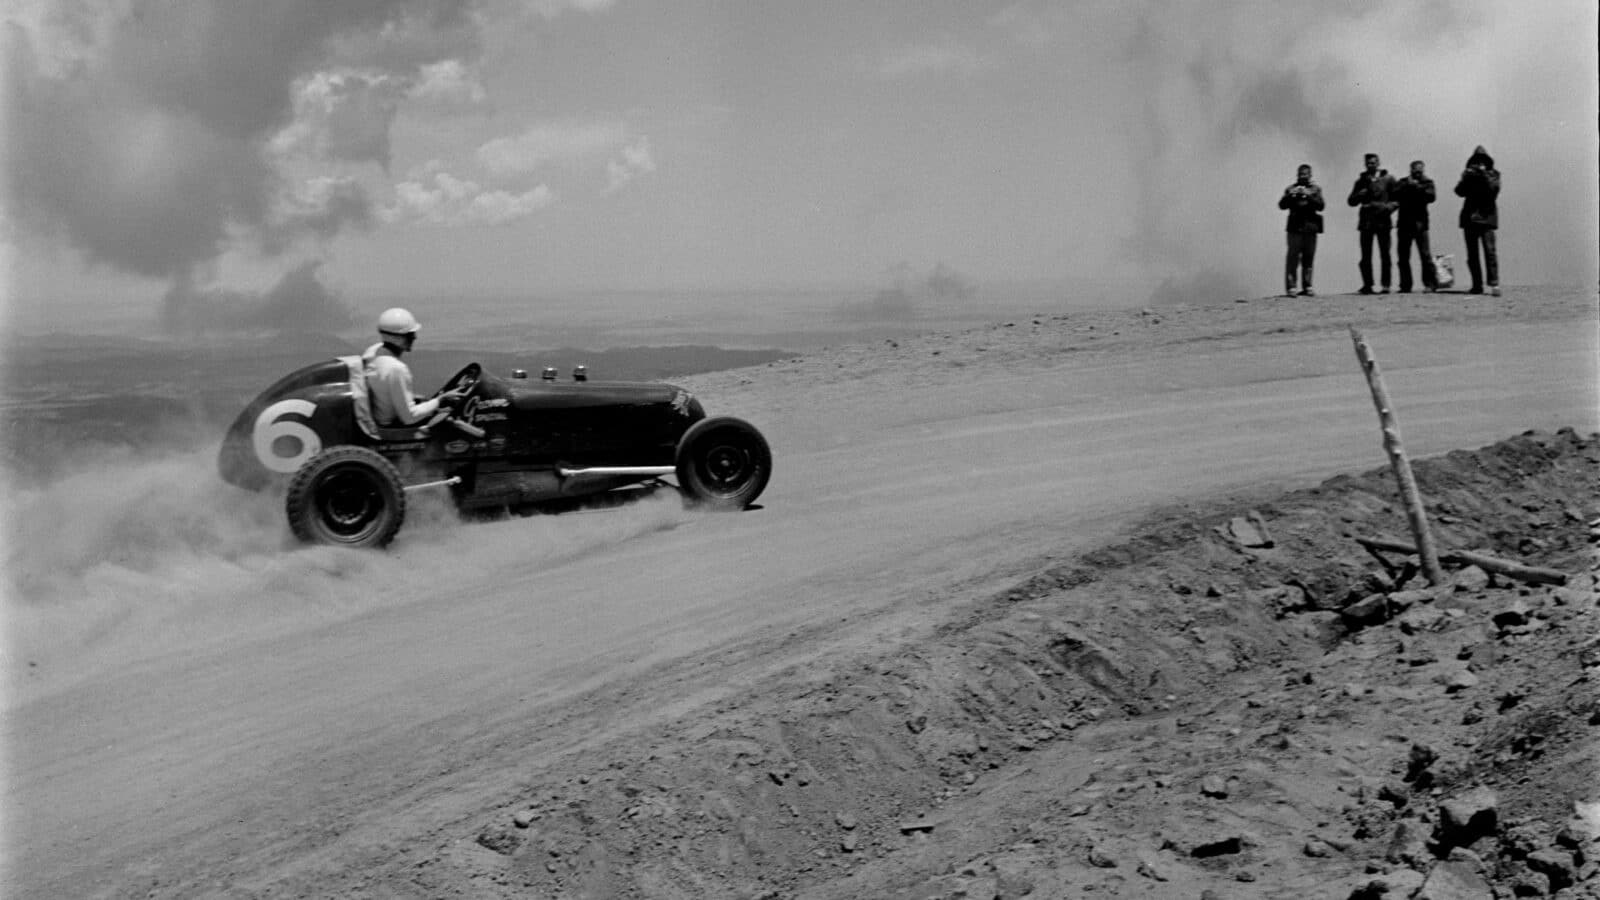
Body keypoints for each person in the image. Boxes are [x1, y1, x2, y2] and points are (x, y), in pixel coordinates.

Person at [363, 307, 467, 426]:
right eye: (410, 335)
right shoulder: (396, 369)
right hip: (392, 425)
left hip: (380, 416)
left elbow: (383, 389)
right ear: (398, 338)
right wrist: (440, 400)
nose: (415, 338)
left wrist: (416, 399)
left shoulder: (372, 353)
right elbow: (410, 417)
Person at [1347, 153, 1397, 294]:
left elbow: (1397, 198)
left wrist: (1388, 208)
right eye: (1368, 163)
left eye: (1373, 163)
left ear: (1378, 163)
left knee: (1385, 254)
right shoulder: (1361, 181)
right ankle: (1367, 284)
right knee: (1365, 256)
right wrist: (1360, 194)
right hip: (1367, 222)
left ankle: (1386, 285)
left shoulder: (1389, 179)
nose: (1371, 165)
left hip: (1383, 221)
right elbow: (1351, 201)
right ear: (1365, 164)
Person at [1454, 145, 1501, 296]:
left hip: (1487, 218)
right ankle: (1477, 285)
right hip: (1470, 218)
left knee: (1490, 252)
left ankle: (1494, 283)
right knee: (1472, 254)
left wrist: (1483, 175)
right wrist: (1467, 178)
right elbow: (1459, 192)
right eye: (1477, 161)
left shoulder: (1494, 174)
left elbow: (1493, 190)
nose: (1480, 163)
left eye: (1482, 161)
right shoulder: (1469, 175)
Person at [1278, 163, 1325, 296]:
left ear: (1310, 175)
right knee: (1293, 257)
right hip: (1295, 228)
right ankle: (1291, 287)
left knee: (1308, 258)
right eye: (1300, 174)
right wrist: (1290, 196)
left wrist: (1308, 195)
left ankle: (1307, 285)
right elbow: (1281, 205)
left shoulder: (1316, 190)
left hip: (1310, 228)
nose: (1303, 177)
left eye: (1305, 174)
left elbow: (1321, 206)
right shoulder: (1291, 189)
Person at [1392, 159, 1437, 293]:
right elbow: (1394, 194)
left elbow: (1432, 196)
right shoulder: (1402, 182)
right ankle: (1405, 285)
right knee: (1403, 257)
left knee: (1425, 255)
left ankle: (1430, 284)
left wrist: (1417, 187)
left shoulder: (1428, 183)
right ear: (1411, 170)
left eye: (1420, 170)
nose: (1418, 172)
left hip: (1420, 225)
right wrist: (1408, 186)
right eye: (1415, 170)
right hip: (1404, 224)